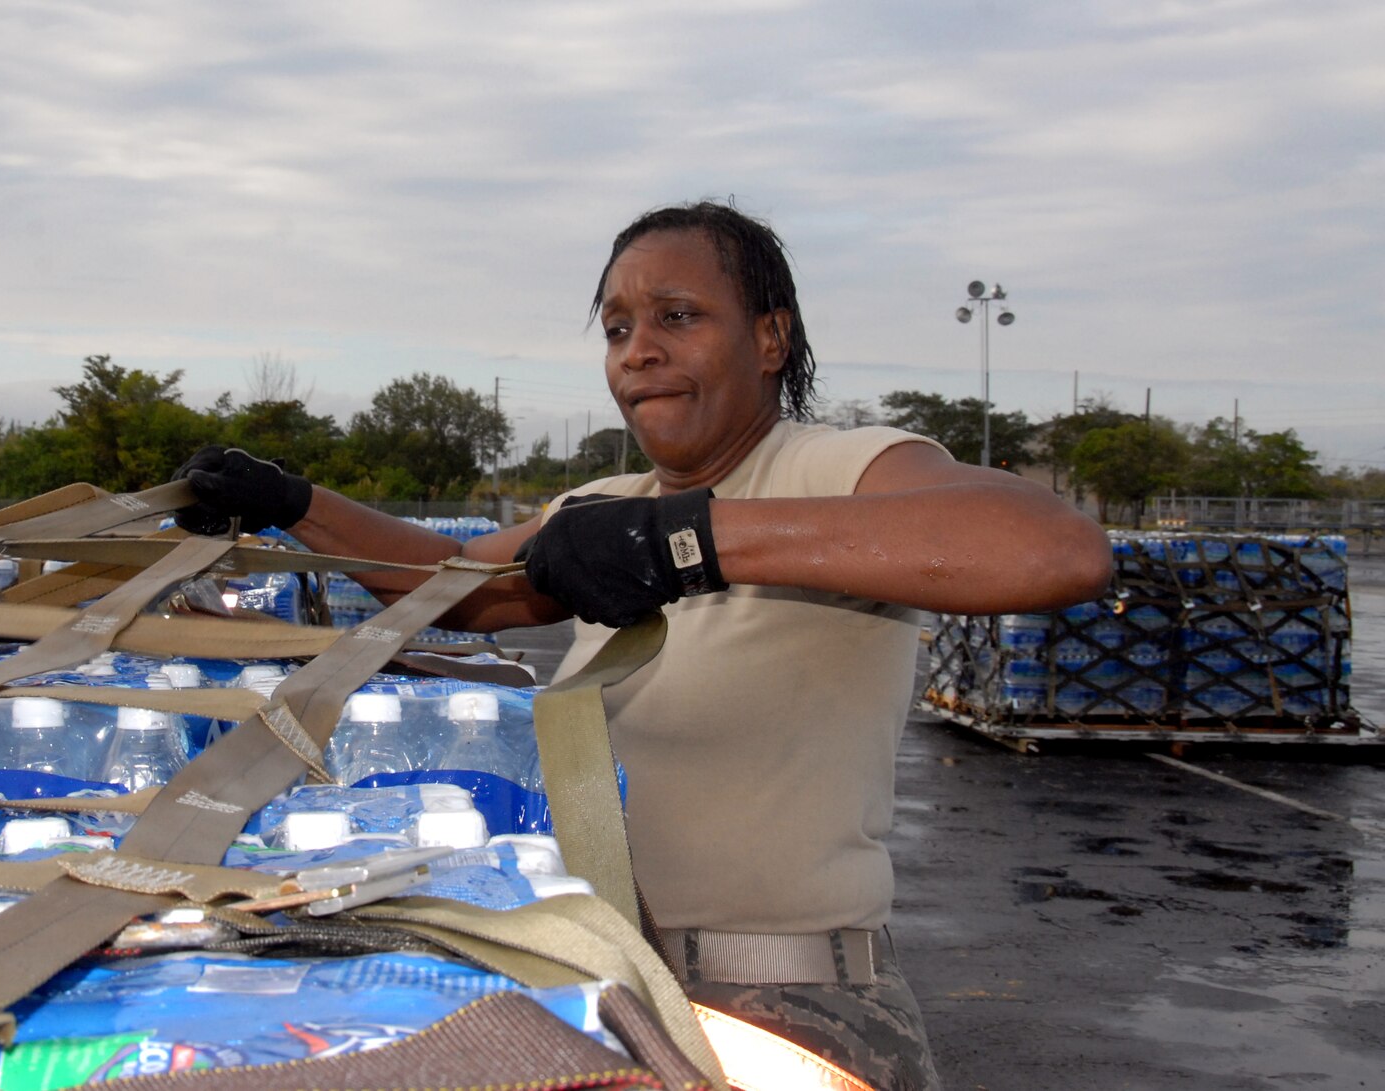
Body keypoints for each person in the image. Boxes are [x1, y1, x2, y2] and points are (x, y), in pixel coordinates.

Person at [173, 200, 1111, 1089]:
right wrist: (296, 505)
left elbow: (1052, 547)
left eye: (678, 315)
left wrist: (694, 538)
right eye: (618, 328)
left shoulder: (833, 466)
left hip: (786, 1000)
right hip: (598, 974)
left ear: (771, 339)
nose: (641, 351)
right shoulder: (605, 510)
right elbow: (456, 591)